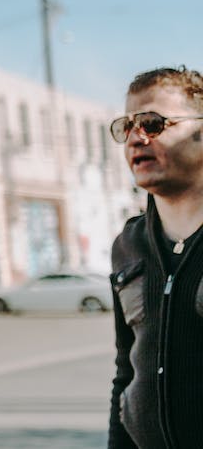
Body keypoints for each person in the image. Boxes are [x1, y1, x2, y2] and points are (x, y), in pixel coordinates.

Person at [108, 66, 203, 449]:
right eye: (126, 127)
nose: (136, 137)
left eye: (153, 123)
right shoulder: (127, 244)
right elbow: (124, 372)